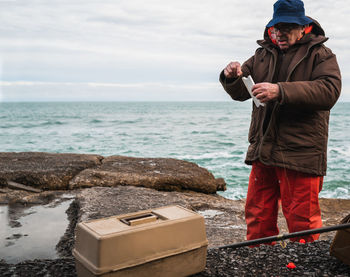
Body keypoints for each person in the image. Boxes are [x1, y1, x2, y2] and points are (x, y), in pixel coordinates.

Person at [220, 0, 341, 243]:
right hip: (264, 149)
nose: (279, 33)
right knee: (258, 215)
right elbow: (240, 93)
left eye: (287, 28)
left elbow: (329, 91)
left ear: (304, 27)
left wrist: (281, 91)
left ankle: (305, 266)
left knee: (302, 222)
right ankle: (259, 260)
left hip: (301, 153)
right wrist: (230, 76)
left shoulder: (321, 55)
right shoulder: (261, 55)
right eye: (276, 28)